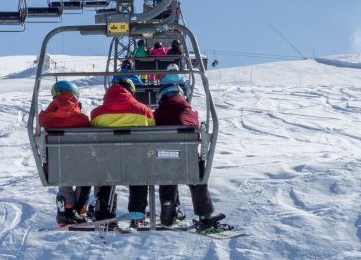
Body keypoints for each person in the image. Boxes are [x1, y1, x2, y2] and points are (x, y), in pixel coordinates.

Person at [152, 82, 225, 230]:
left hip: (164, 160)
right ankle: (205, 216)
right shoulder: (190, 113)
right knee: (198, 176)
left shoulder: (157, 114)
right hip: (188, 159)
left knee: (167, 172)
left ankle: (167, 213)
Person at [90, 76, 156, 220]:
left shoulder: (96, 113)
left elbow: (93, 136)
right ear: (131, 92)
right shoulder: (144, 111)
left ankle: (103, 210)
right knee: (139, 169)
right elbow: (152, 133)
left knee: (106, 170)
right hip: (136, 159)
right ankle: (137, 210)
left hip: (107, 161)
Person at [38, 79, 91, 225]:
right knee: (86, 179)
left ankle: (64, 212)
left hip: (55, 165)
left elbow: (39, 138)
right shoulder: (81, 119)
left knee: (63, 176)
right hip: (80, 162)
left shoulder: (44, 118)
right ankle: (79, 210)